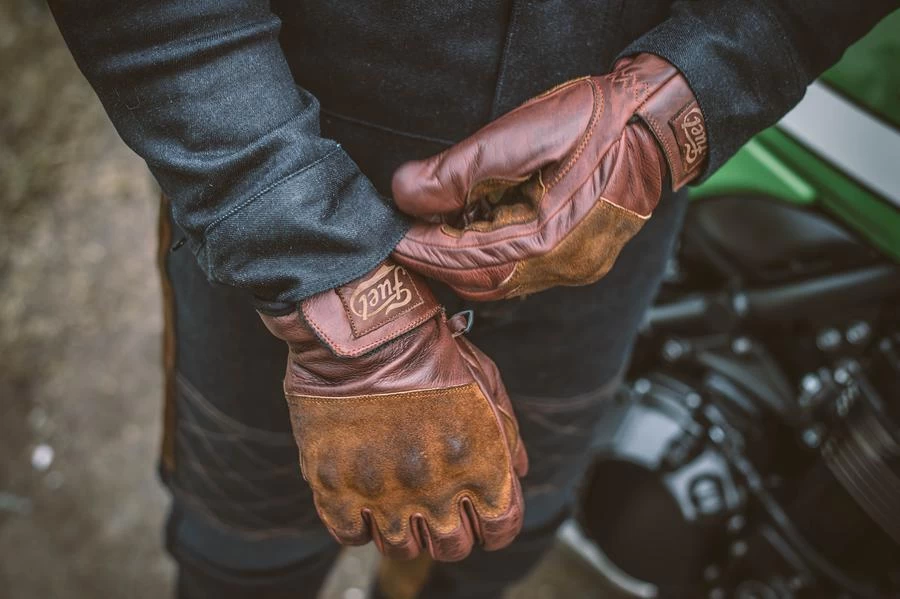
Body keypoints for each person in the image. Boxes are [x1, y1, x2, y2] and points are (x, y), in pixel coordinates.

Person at [48, 2, 895, 598]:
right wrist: (343, 301)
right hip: (272, 245)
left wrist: (669, 112)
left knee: (495, 542)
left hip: (599, 244)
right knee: (246, 554)